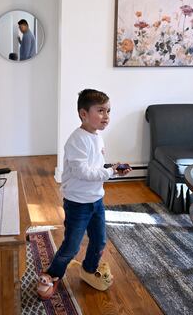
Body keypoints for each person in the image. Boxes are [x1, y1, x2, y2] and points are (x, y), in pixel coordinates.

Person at [36, 89, 131, 300]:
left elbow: (95, 169)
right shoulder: (76, 140)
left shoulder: (98, 138)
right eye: (101, 111)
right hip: (77, 203)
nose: (106, 116)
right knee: (71, 246)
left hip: (96, 200)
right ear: (84, 114)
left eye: (108, 111)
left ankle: (89, 269)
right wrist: (109, 172)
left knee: (99, 241)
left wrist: (112, 170)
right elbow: (83, 172)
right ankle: (52, 274)